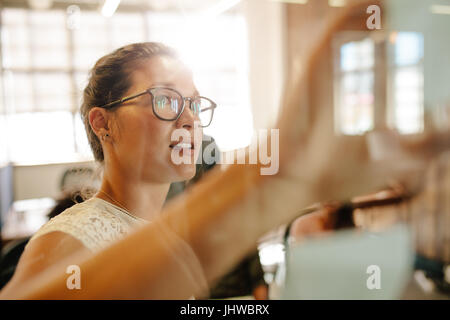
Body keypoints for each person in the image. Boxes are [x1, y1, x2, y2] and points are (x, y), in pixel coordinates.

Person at [0, 1, 445, 299]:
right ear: (103, 123)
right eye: (167, 101)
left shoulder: (163, 230)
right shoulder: (71, 237)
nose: (190, 119)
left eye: (195, 103)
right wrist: (273, 177)